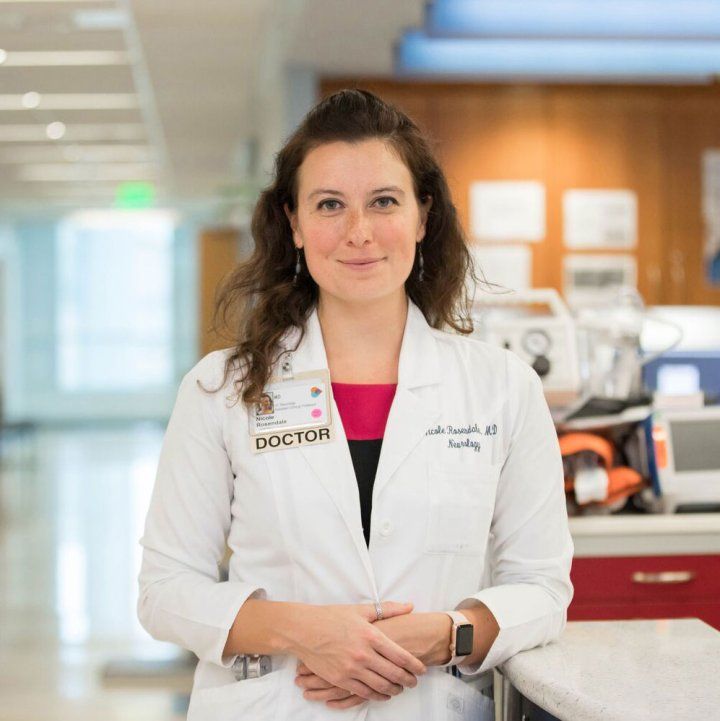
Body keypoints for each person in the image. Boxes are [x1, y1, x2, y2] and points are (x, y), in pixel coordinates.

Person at [137, 88, 574, 721]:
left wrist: (444, 634)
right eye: (330, 205)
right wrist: (309, 633)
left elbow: (543, 589)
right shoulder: (221, 390)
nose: (359, 233)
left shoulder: (503, 387)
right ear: (293, 222)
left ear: (424, 217)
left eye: (384, 202)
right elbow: (165, 592)